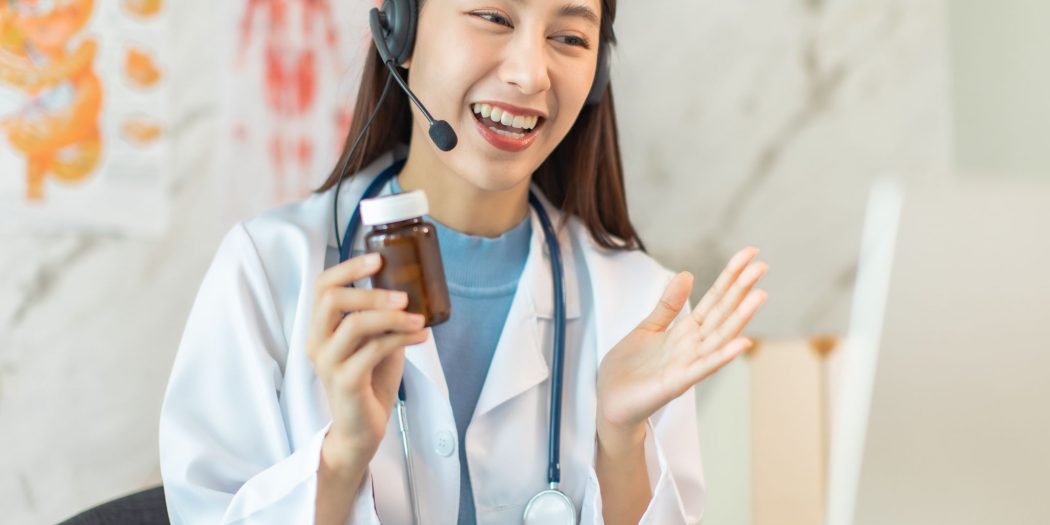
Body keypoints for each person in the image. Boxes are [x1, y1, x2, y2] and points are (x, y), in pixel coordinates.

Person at [158, 0, 769, 524]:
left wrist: (621, 441)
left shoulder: (641, 305)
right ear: (400, 30)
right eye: (493, 16)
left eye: (569, 37)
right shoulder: (268, 271)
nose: (532, 74)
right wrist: (342, 456)